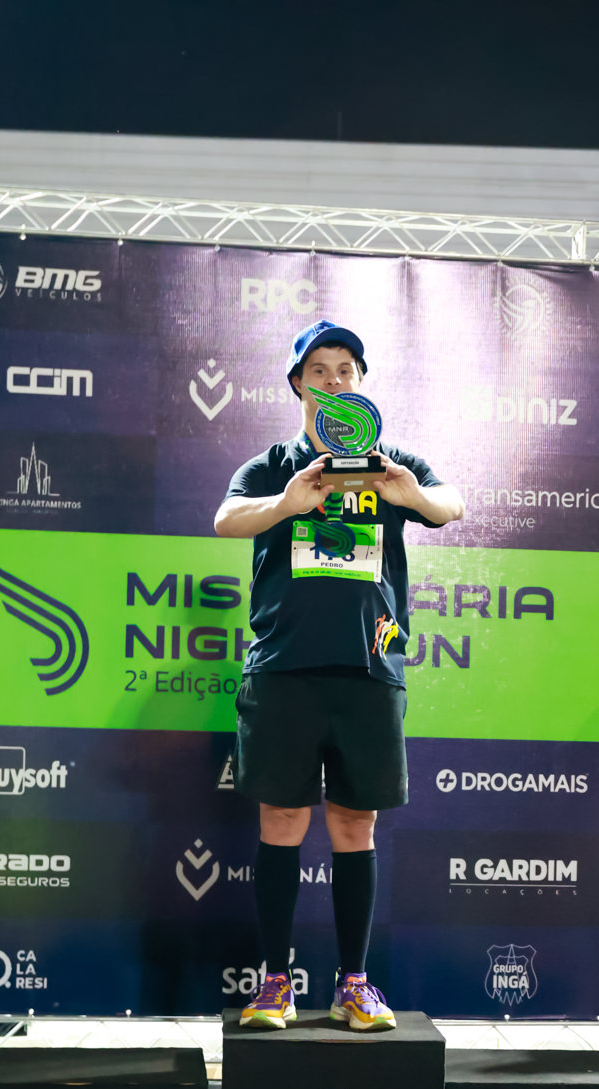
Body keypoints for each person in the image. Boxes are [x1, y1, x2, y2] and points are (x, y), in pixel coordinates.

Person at [214, 320, 464, 1031]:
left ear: (360, 381)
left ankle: (354, 984)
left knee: (356, 824)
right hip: (284, 670)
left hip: (369, 669)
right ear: (299, 384)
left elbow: (453, 504)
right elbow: (226, 518)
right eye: (319, 370)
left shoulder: (391, 463)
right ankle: (275, 983)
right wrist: (288, 504)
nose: (333, 379)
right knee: (282, 821)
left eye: (345, 369)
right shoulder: (274, 465)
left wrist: (410, 495)